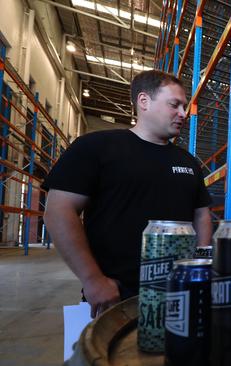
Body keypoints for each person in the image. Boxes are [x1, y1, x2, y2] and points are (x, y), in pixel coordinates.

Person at [43, 70, 212, 318]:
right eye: (174, 105)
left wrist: (201, 266)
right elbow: (58, 211)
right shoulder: (95, 147)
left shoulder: (187, 161)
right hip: (116, 296)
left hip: (180, 294)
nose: (183, 114)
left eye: (184, 106)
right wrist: (93, 280)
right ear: (144, 101)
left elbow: (201, 214)